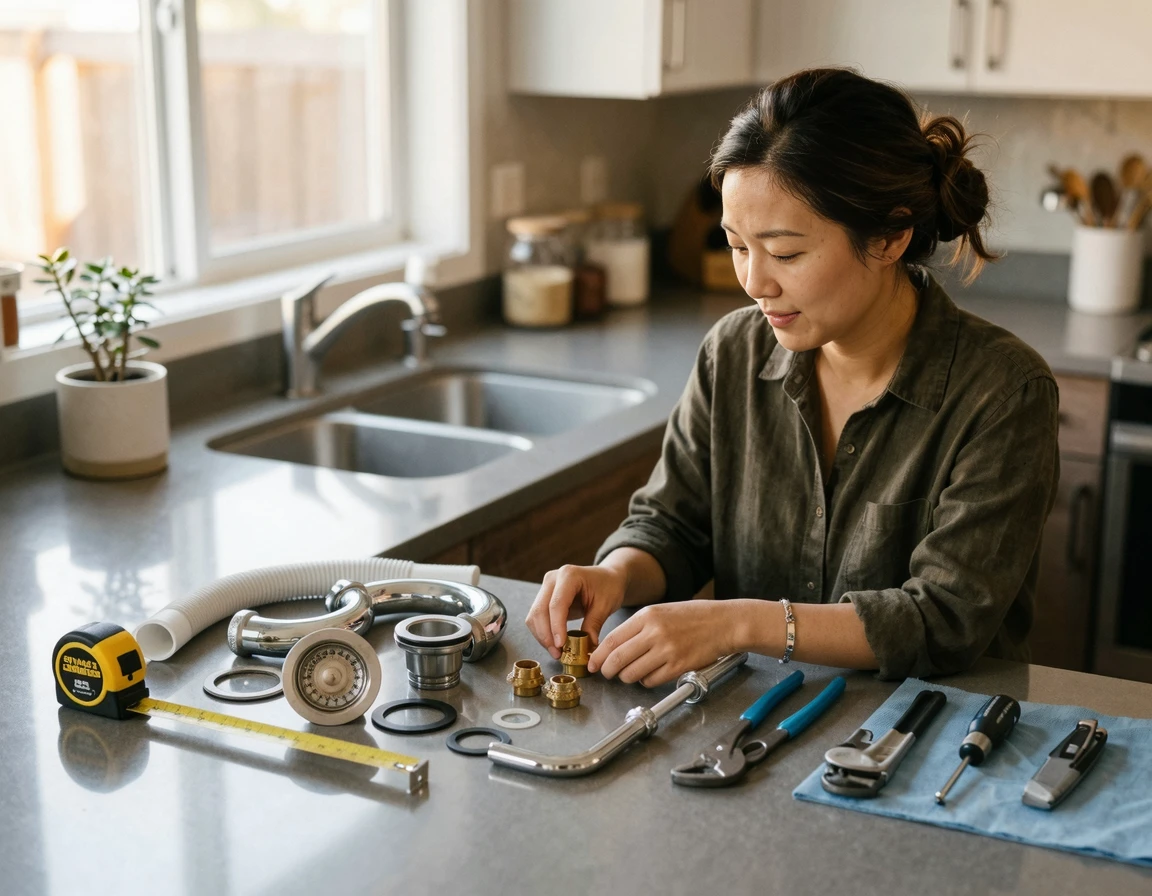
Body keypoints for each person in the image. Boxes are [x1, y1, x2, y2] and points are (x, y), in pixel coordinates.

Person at [524, 68, 1061, 686]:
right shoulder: (732, 354)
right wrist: (616, 573)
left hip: (929, 741)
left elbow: (942, 620)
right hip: (751, 726)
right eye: (736, 245)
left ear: (889, 237)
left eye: (785, 253)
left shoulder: (1004, 393)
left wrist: (737, 624)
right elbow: (671, 524)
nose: (754, 283)